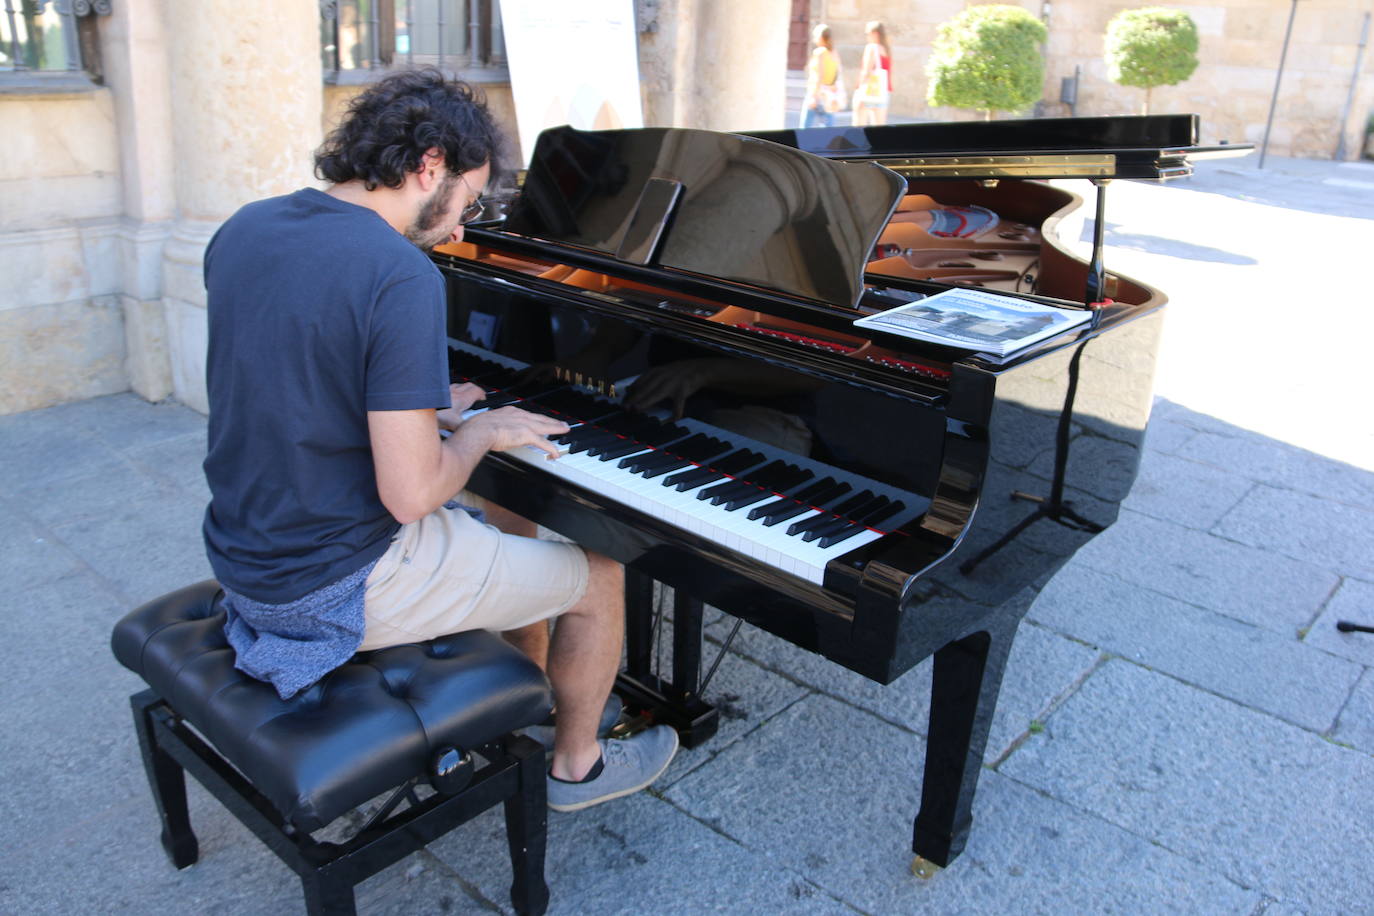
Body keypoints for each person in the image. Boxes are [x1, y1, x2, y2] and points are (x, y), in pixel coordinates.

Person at [200, 68, 677, 813]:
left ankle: (525, 695)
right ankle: (576, 767)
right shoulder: (398, 272)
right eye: (470, 197)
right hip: (335, 586)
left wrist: (423, 409)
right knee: (602, 572)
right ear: (429, 166)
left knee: (507, 520)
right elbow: (413, 492)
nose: (463, 225)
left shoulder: (245, 229)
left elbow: (291, 381)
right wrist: (481, 429)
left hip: (244, 557)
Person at [800, 23, 843, 129]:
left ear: (820, 37)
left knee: (804, 128)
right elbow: (837, 73)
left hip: (818, 92)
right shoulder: (834, 53)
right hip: (829, 93)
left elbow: (819, 75)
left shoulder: (820, 52)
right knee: (828, 126)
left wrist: (814, 96)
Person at [851, 20, 892, 127]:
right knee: (879, 129)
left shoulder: (871, 48)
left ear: (875, 33)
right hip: (882, 93)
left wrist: (859, 88)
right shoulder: (886, 50)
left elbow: (866, 72)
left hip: (868, 92)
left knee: (859, 127)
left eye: (867, 33)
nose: (867, 36)